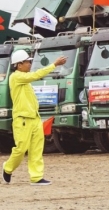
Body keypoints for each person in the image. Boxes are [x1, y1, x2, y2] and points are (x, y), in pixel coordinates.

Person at [1, 50, 67, 186]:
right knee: (21, 149)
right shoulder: (16, 77)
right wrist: (54, 64)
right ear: (19, 65)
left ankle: (36, 177)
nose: (29, 64)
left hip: (34, 118)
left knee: (36, 149)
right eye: (27, 62)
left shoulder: (24, 79)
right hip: (22, 119)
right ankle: (7, 168)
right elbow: (36, 75)